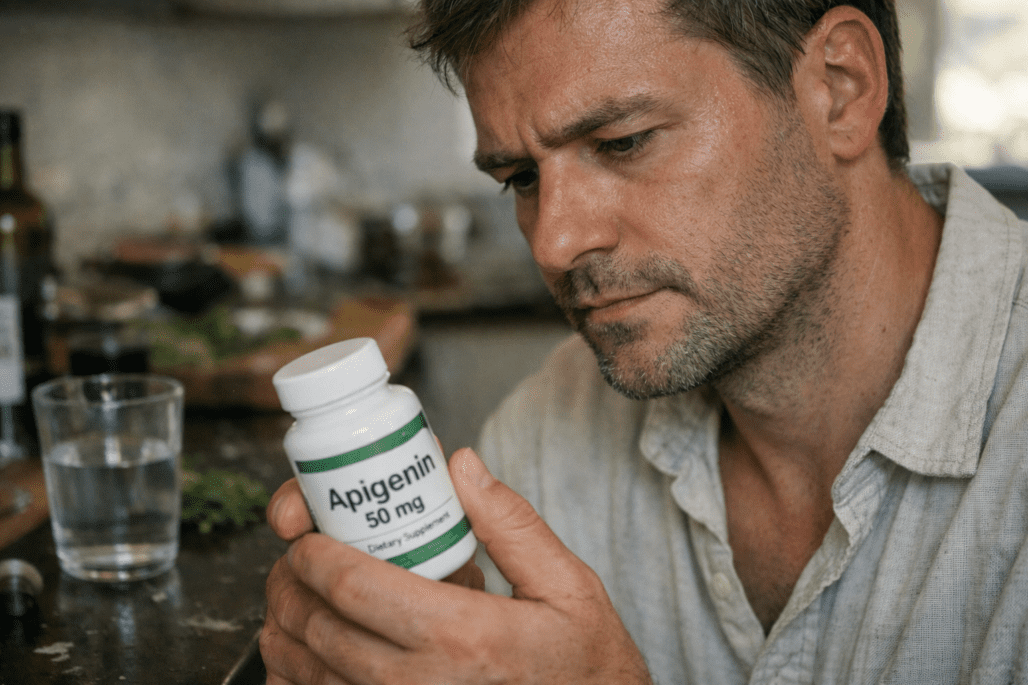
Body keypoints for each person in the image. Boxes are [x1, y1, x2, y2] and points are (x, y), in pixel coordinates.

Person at [259, 0, 1028, 682]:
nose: (555, 241)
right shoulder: (543, 439)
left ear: (840, 87)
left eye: (623, 141)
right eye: (521, 178)